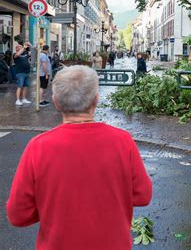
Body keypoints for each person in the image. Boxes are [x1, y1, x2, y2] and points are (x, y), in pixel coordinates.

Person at [6, 65, 152, 249]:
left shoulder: (38, 147)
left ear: (55, 102)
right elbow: (143, 195)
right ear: (96, 100)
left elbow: (18, 215)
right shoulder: (123, 142)